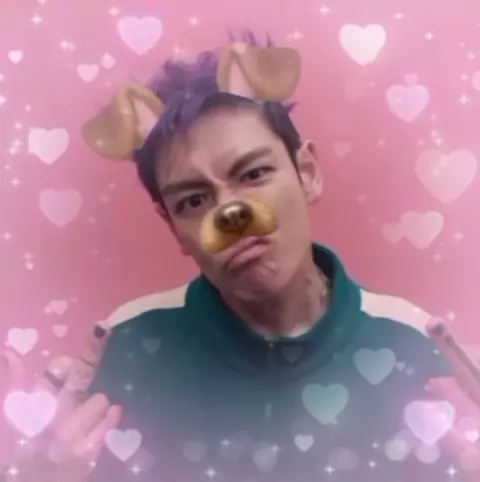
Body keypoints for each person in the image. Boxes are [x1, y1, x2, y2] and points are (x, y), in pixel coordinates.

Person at [2, 31, 480, 482]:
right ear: (173, 227)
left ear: (307, 173)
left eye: (253, 174)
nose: (230, 214)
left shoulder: (418, 346)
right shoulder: (125, 349)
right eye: (193, 200)